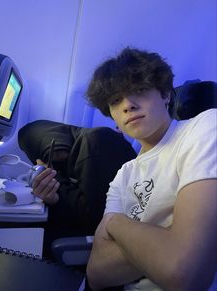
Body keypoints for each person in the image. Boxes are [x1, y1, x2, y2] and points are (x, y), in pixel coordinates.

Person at [84, 47, 217, 291]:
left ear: (166, 94)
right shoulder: (123, 175)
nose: (127, 105)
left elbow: (183, 273)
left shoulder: (204, 128)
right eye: (115, 100)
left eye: (138, 90)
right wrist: (168, 241)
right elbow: (97, 272)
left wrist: (115, 223)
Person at [18, 121, 136, 255]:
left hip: (112, 231)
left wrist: (56, 182)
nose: (55, 156)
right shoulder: (68, 157)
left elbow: (94, 217)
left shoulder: (94, 142)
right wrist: (53, 197)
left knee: (29, 237)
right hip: (94, 220)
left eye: (51, 148)